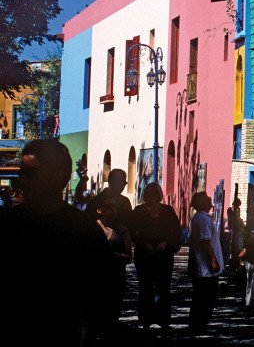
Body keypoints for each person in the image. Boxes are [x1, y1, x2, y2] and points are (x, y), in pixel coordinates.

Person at [0, 140, 110, 345]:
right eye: (21, 173)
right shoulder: (7, 224)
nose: (21, 181)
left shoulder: (84, 232)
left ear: (57, 176)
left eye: (30, 174)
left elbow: (100, 293)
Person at [130, 181, 182, 330]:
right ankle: (145, 319)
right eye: (149, 195)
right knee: (145, 287)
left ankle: (163, 319)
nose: (152, 198)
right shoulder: (138, 211)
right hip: (144, 256)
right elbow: (133, 232)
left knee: (163, 287)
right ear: (145, 196)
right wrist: (144, 244)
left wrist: (166, 244)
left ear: (158, 196)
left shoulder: (168, 211)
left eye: (155, 195)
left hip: (163, 256)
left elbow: (176, 233)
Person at [95, 198, 133, 339]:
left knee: (114, 306)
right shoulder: (93, 229)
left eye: (114, 208)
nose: (113, 212)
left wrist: (114, 255)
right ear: (100, 210)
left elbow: (129, 257)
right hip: (99, 275)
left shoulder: (122, 231)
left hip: (116, 274)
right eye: (109, 208)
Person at [188, 191, 223, 334]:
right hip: (205, 268)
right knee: (204, 297)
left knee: (202, 296)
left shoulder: (201, 218)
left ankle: (199, 323)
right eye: (207, 198)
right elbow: (205, 242)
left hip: (203, 267)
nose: (210, 199)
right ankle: (199, 324)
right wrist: (213, 261)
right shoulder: (202, 219)